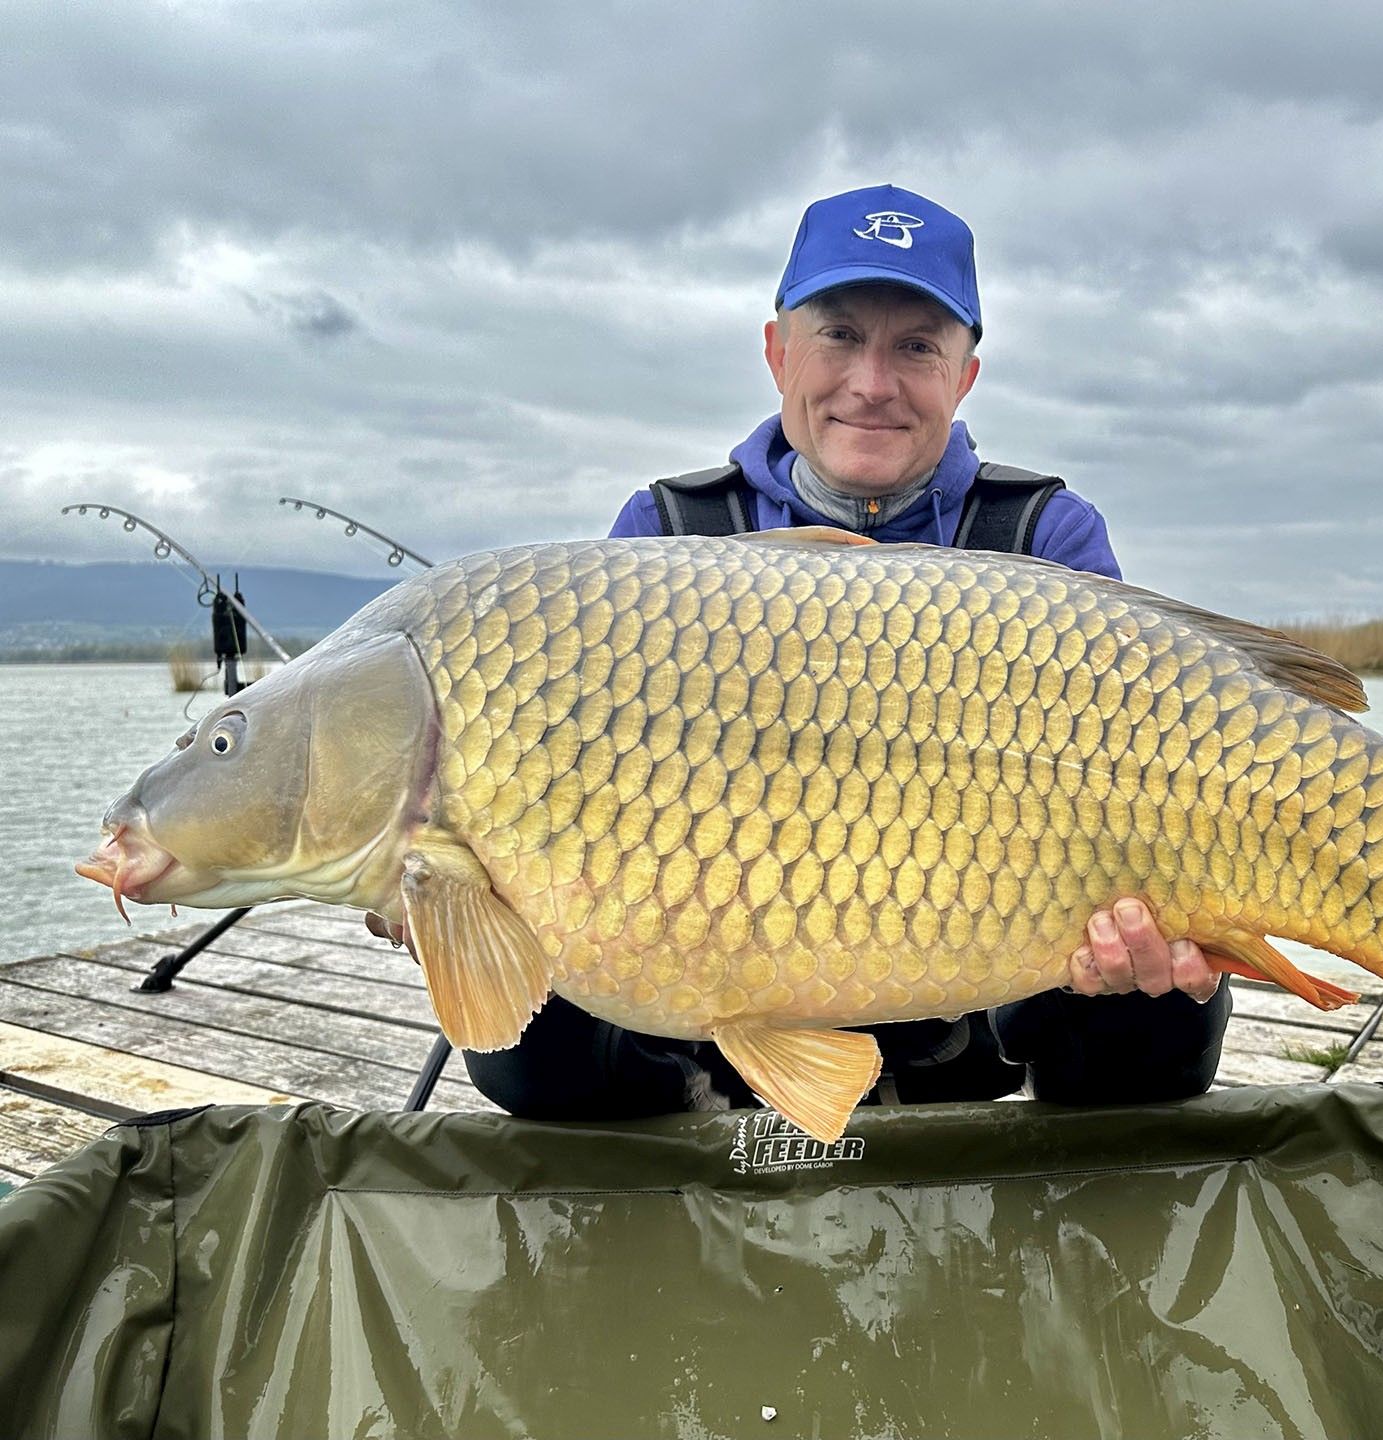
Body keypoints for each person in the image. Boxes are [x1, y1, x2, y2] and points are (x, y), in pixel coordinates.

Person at [448, 185, 1233, 1120]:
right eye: (840, 337)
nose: (872, 382)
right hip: (706, 991)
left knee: (1163, 1022)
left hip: (985, 993)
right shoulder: (667, 534)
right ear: (778, 351)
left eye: (915, 347)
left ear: (964, 377)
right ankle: (692, 1121)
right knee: (522, 1050)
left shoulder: (1038, 535)